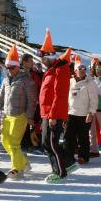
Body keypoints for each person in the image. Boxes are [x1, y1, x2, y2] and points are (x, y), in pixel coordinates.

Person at [0, 44, 38, 178]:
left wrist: (29, 116)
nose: (9, 70)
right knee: (5, 141)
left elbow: (32, 100)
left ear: (18, 66)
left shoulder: (26, 80)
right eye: (7, 67)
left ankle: (17, 169)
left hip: (20, 115)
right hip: (7, 115)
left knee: (14, 142)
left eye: (12, 67)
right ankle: (24, 162)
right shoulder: (5, 80)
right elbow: (0, 98)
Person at [38, 29, 76, 183]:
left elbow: (59, 94)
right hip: (47, 112)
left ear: (49, 56)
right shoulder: (51, 70)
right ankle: (67, 163)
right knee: (46, 143)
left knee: (52, 143)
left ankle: (60, 172)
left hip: (54, 113)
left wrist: (53, 115)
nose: (41, 59)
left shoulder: (60, 70)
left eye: (42, 56)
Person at [66, 57, 100, 164]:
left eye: (83, 68)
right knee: (68, 136)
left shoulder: (90, 82)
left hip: (84, 114)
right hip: (70, 113)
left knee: (83, 137)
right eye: (79, 68)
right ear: (75, 70)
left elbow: (94, 99)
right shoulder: (70, 81)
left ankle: (83, 157)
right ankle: (68, 156)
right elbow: (66, 98)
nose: (81, 70)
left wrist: (91, 112)